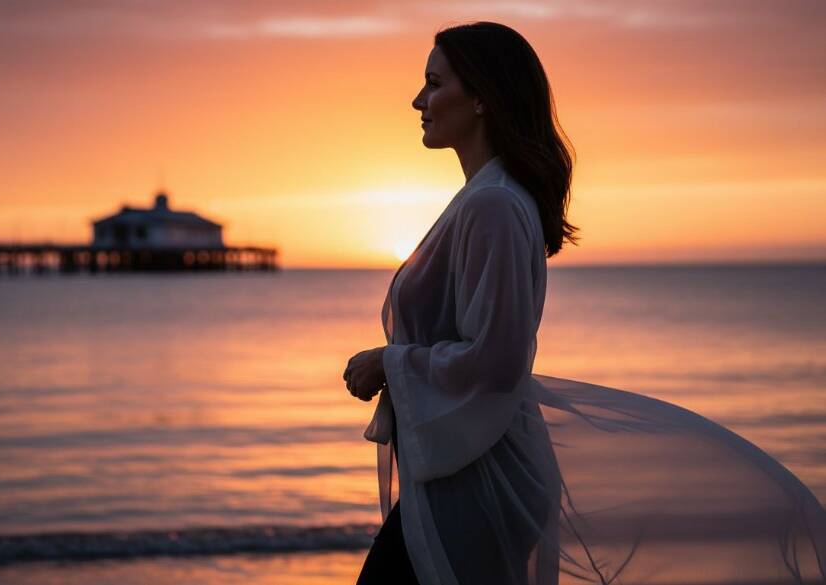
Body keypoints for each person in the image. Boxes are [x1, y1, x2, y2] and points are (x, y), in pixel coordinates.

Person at [343, 21, 826, 585]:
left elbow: (497, 359)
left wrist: (390, 362)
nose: (418, 99)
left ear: (481, 97)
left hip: (481, 479)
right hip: (470, 468)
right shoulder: (489, 197)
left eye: (434, 82)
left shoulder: (494, 205)